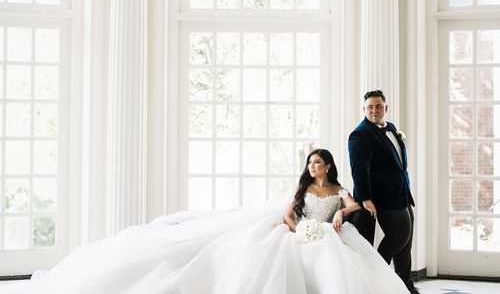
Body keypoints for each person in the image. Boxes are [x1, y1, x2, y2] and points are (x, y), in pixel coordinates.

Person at [4, 149, 409, 294]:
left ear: (328, 166)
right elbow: (289, 213)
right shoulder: (302, 189)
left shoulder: (337, 189)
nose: (314, 166)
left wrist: (342, 212)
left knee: (337, 260)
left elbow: (352, 203)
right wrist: (297, 229)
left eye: (318, 162)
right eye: (311, 162)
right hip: (299, 232)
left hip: (324, 233)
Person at [348, 90, 419, 294]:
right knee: (398, 237)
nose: (374, 110)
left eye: (378, 106)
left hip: (402, 194)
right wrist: (365, 198)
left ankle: (405, 287)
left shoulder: (392, 128)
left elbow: (399, 164)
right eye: (370, 106)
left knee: (406, 245)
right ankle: (376, 280)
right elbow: (359, 169)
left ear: (385, 108)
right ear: (364, 109)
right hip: (383, 198)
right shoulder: (360, 135)